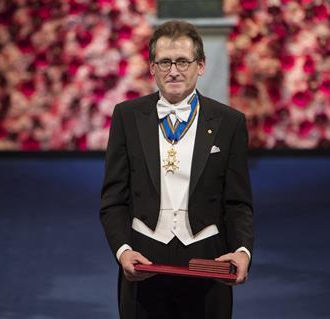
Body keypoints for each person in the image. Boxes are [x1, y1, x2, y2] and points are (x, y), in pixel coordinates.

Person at [100, 20, 253, 319]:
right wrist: (122, 251)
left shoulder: (230, 123)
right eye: (165, 62)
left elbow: (238, 202)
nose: (174, 71)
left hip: (208, 260)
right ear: (152, 68)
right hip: (143, 261)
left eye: (183, 61)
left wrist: (243, 251)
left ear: (201, 65)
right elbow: (113, 199)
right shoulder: (126, 117)